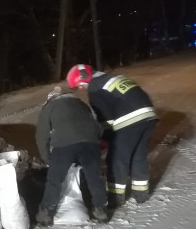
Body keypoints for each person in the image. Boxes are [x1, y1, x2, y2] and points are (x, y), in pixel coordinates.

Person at [66, 64, 159, 206]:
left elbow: (106, 119)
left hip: (129, 118)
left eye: (78, 86)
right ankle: (141, 195)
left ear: (84, 79)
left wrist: (105, 140)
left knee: (117, 159)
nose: (80, 89)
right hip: (148, 116)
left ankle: (115, 198)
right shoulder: (112, 77)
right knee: (138, 155)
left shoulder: (95, 88)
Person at [34, 86, 109, 225]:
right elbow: (97, 126)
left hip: (64, 145)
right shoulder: (82, 104)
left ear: (50, 98)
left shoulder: (50, 106)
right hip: (91, 143)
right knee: (94, 178)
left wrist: (47, 158)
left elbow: (41, 135)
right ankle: (101, 210)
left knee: (54, 179)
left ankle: (45, 213)